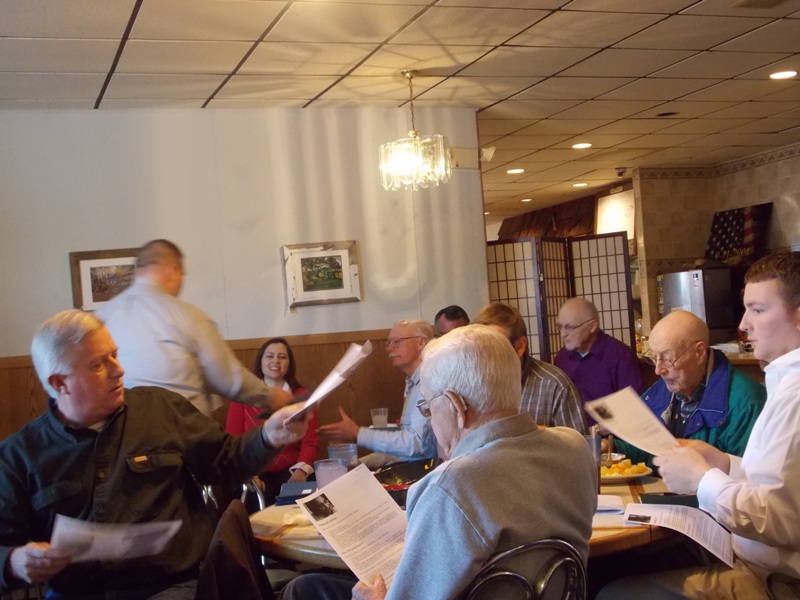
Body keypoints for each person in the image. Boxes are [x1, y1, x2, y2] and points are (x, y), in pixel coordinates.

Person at [0, 310, 308, 598]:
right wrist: (13, 562)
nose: (118, 370)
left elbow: (225, 461)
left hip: (171, 587)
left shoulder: (160, 410)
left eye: (114, 355)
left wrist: (268, 436)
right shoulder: (19, 456)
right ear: (59, 383)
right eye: (98, 365)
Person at [282, 325, 597, 600]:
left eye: (428, 408)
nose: (431, 421)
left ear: (456, 406)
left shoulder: (452, 484)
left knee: (305, 590)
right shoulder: (574, 448)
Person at [598, 251, 800, 600]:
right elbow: (779, 488)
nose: (743, 324)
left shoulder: (785, 396)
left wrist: (702, 478)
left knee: (613, 593)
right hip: (745, 552)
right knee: (618, 565)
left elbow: (783, 521)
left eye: (758, 310)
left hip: (775, 579)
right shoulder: (784, 382)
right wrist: (724, 463)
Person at [96, 239, 292, 416]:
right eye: (182, 275)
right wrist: (270, 396)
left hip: (119, 433)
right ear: (172, 271)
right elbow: (228, 380)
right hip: (180, 432)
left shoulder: (101, 317)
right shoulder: (189, 316)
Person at [612, 309, 765, 468]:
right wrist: (614, 448)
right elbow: (653, 450)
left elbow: (746, 476)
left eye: (667, 359)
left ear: (699, 352)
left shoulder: (746, 404)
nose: (658, 370)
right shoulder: (668, 387)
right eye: (654, 358)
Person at [317, 320, 438, 466]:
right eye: (388, 343)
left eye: (396, 341)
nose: (389, 348)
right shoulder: (411, 382)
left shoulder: (430, 381)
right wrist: (361, 463)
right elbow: (406, 449)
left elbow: (417, 446)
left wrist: (358, 433)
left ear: (421, 343)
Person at [226, 337, 319, 505]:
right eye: (269, 356)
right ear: (260, 361)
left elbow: (310, 441)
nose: (276, 361)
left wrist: (301, 471)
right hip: (255, 470)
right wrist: (248, 474)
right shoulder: (243, 398)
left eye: (282, 357)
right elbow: (233, 441)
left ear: (289, 363)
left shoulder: (301, 396)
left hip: (292, 470)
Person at [473, 302, 586, 433]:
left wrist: (537, 433)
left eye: (495, 345)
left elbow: (580, 443)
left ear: (520, 346)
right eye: (481, 345)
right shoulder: (472, 383)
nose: (485, 354)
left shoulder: (554, 385)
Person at [554, 297, 645, 423]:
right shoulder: (562, 358)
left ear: (592, 326)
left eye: (570, 327)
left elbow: (634, 406)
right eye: (560, 327)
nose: (563, 334)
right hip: (571, 432)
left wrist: (600, 428)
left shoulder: (621, 356)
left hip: (611, 432)